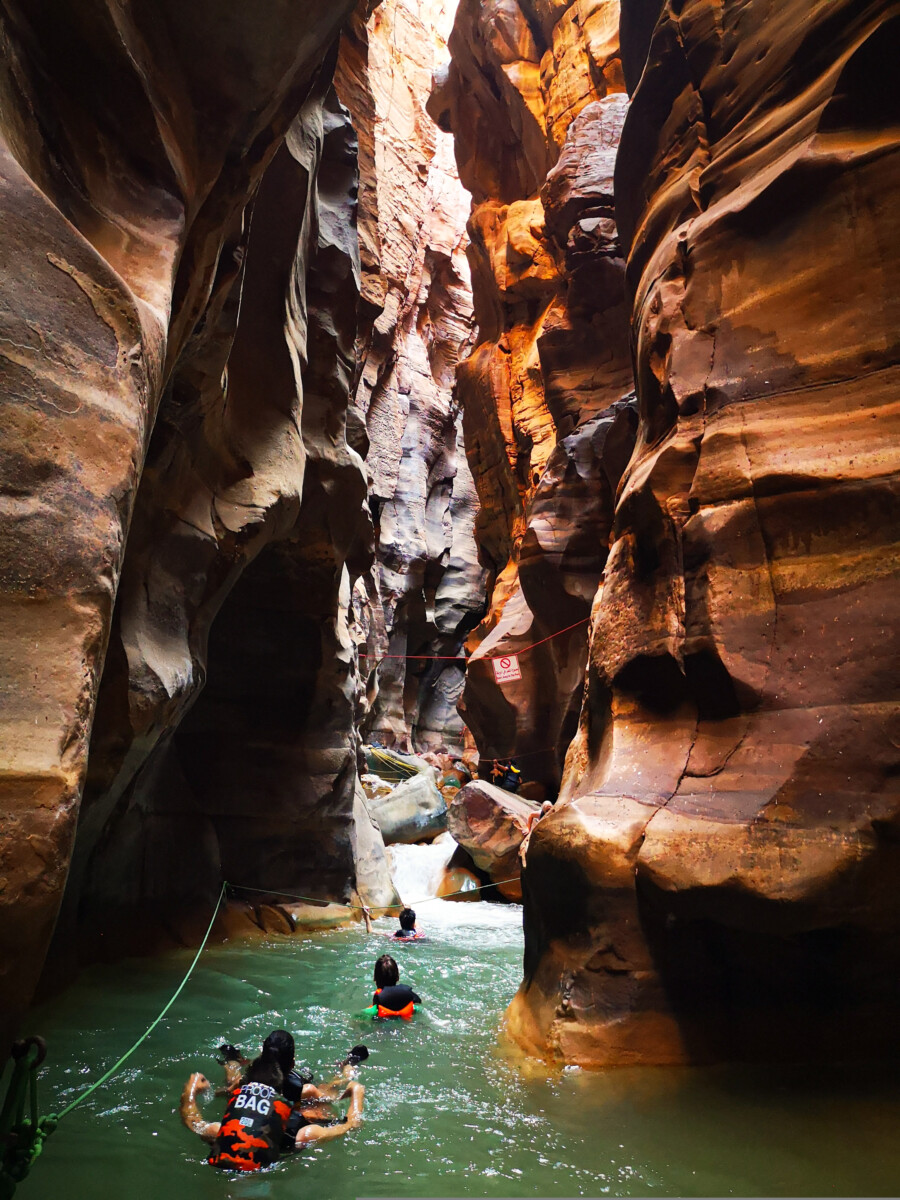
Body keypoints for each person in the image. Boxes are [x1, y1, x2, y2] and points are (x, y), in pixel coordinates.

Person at [181, 1030, 365, 1170]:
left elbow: (194, 1122)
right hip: (299, 1110)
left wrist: (191, 1094)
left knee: (233, 1081)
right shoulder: (304, 1133)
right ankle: (349, 1064)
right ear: (292, 1064)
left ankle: (231, 1059)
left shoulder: (225, 1130)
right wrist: (356, 1091)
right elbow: (351, 1125)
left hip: (251, 1090)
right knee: (330, 1089)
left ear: (262, 1057)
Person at [361, 954, 421, 1020]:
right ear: (397, 978)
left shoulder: (376, 1003)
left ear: (375, 979)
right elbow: (419, 1001)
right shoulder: (409, 995)